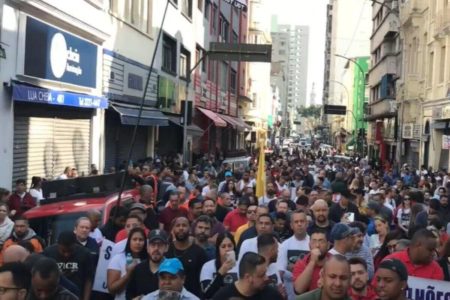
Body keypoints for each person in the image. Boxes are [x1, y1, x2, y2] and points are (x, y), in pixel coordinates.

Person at [43, 231, 93, 300]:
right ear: (58, 245)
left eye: (70, 251)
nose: (67, 254)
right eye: (63, 251)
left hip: (76, 295)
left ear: (75, 244)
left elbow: (89, 279)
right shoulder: (48, 253)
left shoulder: (85, 253)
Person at [166, 217, 208, 298]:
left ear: (190, 229)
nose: (181, 228)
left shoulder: (199, 253)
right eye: (178, 225)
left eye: (184, 225)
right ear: (173, 229)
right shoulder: (166, 250)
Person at [212, 252, 283, 299]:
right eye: (262, 275)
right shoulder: (223, 296)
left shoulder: (272, 295)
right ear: (248, 277)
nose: (266, 278)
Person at [126, 229, 169, 300]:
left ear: (166, 247)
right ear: (147, 247)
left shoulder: (172, 269)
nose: (156, 248)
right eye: (153, 244)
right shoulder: (138, 269)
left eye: (160, 245)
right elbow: (129, 294)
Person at [107, 228, 148, 300]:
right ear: (129, 241)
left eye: (141, 240)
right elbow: (111, 289)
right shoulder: (118, 259)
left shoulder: (149, 260)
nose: (138, 242)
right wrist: (128, 274)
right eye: (134, 239)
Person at [200, 232, 238, 299]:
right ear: (218, 249)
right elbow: (206, 293)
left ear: (234, 247)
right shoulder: (208, 266)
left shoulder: (240, 265)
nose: (227, 249)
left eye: (230, 246)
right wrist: (221, 272)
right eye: (223, 246)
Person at [293, 229, 331, 294]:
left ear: (328, 245)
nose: (317, 245)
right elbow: (298, 290)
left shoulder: (335, 261)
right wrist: (312, 262)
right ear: (309, 245)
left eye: (321, 241)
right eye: (314, 242)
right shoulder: (301, 263)